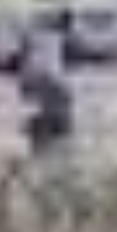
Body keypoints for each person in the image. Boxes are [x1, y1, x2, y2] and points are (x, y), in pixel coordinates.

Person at [17, 17, 74, 155]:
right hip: (49, 77)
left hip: (37, 76)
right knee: (60, 103)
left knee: (53, 106)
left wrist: (23, 82)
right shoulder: (55, 36)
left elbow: (24, 54)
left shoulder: (37, 34)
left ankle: (45, 138)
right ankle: (52, 138)